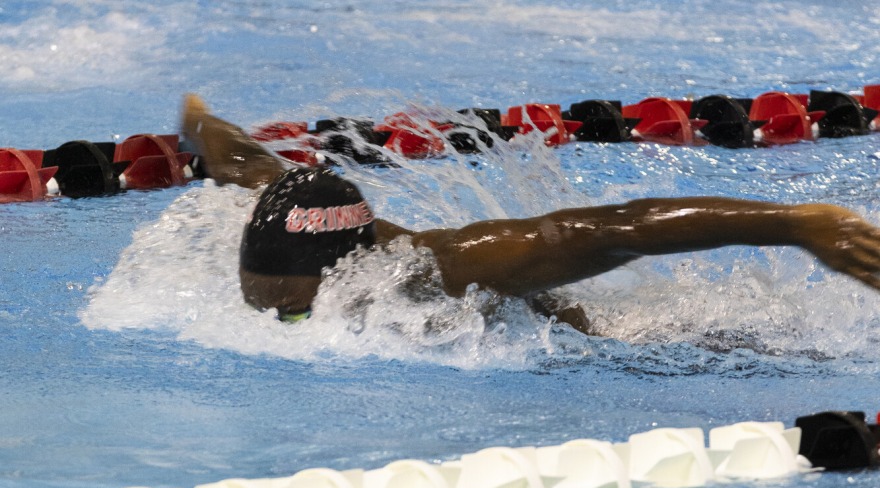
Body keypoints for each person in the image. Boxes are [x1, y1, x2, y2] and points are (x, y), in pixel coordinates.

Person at [181, 94, 880, 332]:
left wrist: (795, 224)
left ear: (346, 271)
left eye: (294, 314)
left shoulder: (442, 270)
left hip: (602, 349)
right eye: (263, 305)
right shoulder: (275, 213)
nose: (277, 321)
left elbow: (620, 227)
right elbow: (241, 160)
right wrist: (197, 116)